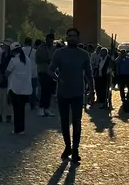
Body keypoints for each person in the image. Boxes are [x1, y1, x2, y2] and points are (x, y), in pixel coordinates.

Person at [48, 28, 94, 163]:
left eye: (74, 36)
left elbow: (89, 75)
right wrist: (58, 78)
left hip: (78, 93)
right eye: (70, 36)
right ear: (66, 38)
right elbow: (50, 70)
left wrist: (92, 91)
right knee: (64, 122)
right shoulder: (59, 53)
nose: (72, 38)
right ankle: (67, 146)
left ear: (78, 38)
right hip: (63, 92)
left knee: (77, 121)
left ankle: (75, 149)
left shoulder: (84, 55)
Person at [6, 42, 33, 134]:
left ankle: (17, 129)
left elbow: (7, 72)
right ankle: (22, 128)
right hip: (25, 88)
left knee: (16, 110)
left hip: (15, 88)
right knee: (22, 109)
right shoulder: (27, 59)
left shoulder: (13, 60)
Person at [36, 33, 57, 117]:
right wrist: (47, 59)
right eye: (49, 40)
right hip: (43, 71)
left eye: (52, 40)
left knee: (49, 91)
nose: (50, 42)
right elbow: (37, 59)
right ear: (46, 40)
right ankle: (41, 108)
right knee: (44, 90)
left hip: (51, 72)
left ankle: (47, 108)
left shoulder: (54, 48)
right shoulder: (41, 48)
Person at [22, 37, 38, 109]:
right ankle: (33, 104)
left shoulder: (21, 50)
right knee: (33, 89)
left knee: (23, 88)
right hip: (33, 72)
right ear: (31, 43)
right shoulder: (34, 51)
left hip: (23, 72)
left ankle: (23, 101)